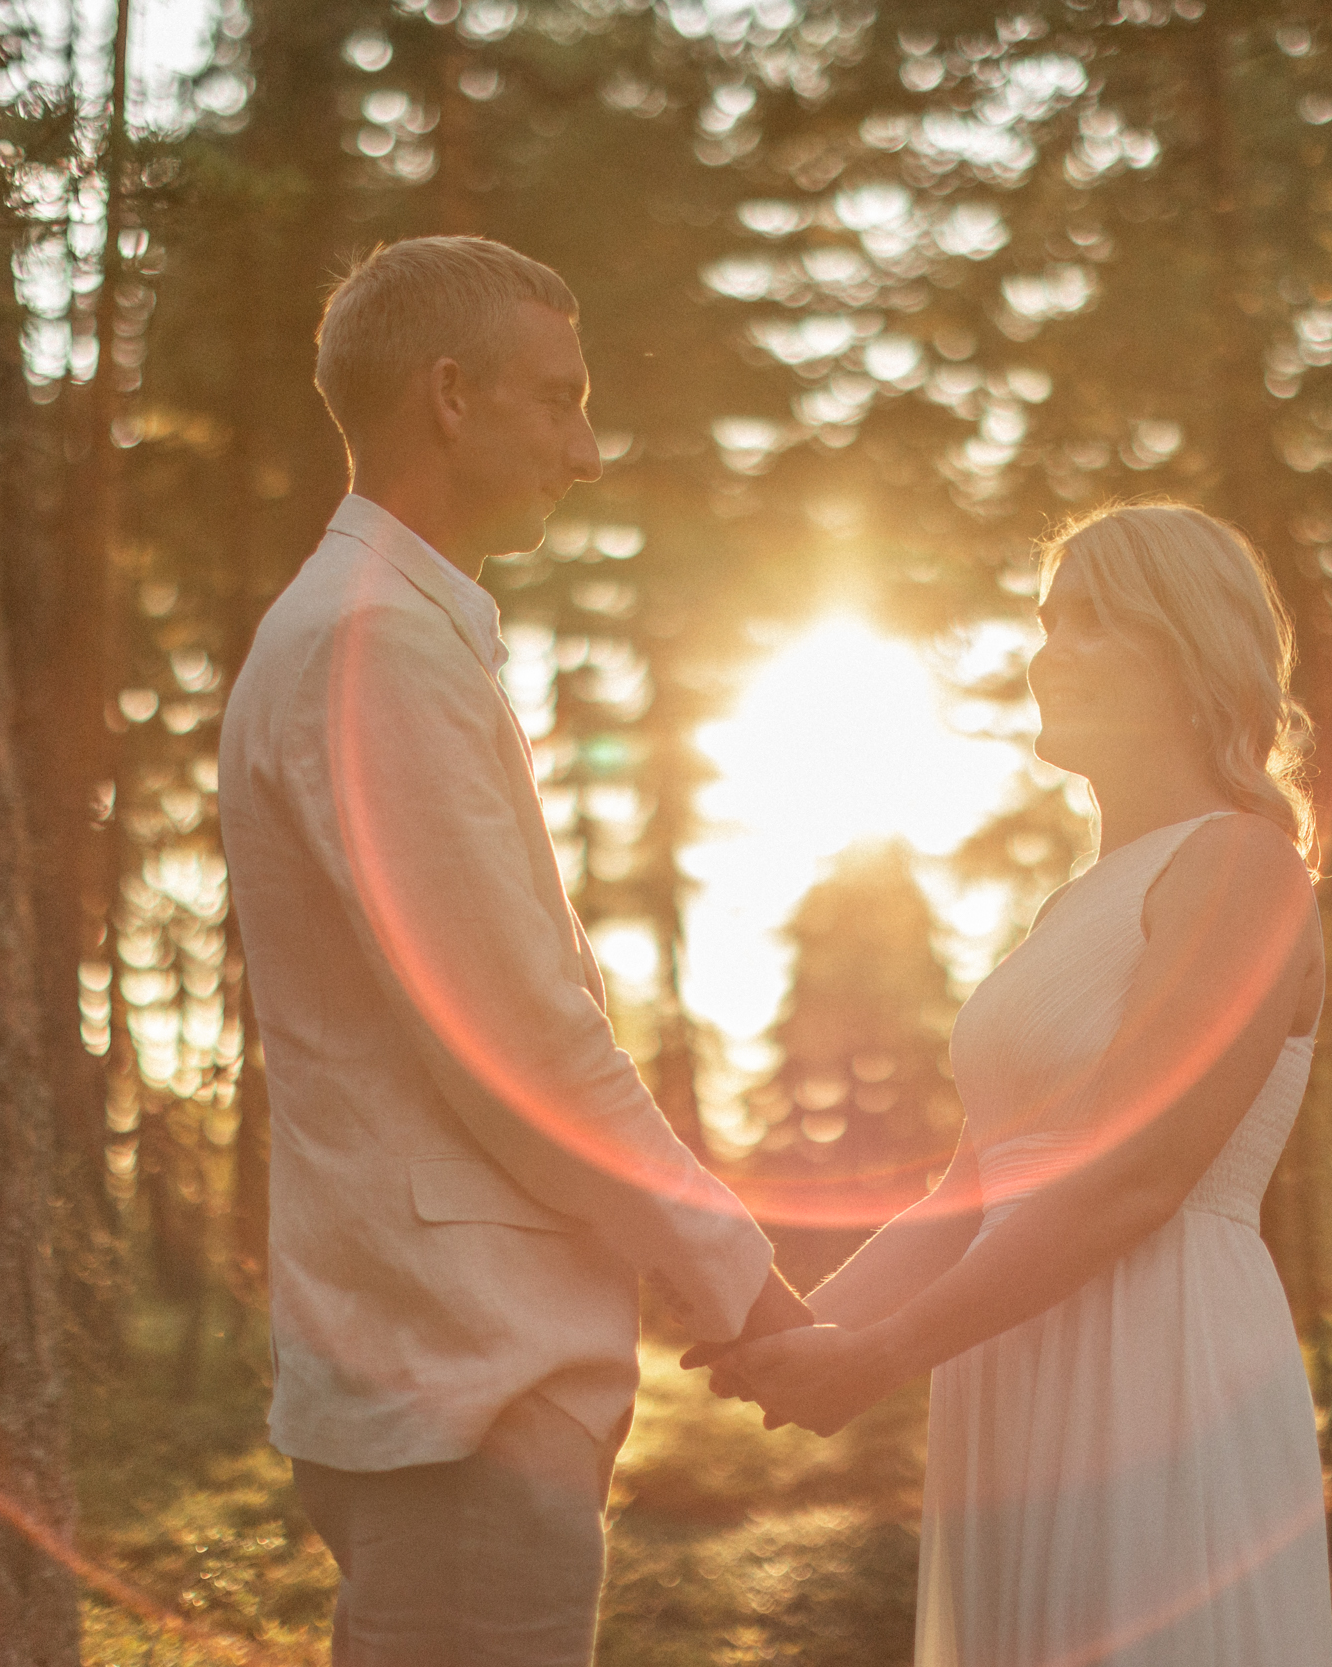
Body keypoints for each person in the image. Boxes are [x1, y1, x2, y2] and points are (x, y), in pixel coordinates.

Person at [217, 235, 810, 1667]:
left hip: (447, 1368)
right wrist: (739, 1280)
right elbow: (521, 1043)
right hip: (464, 1380)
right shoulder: (374, 649)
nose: (590, 451)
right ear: (449, 395)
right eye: (559, 399)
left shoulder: (385, 634)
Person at [714, 503, 1332, 1666]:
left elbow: (1137, 1175)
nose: (1046, 652)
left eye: (1091, 620)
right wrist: (783, 1324)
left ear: (1189, 648)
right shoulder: (1070, 909)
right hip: (1015, 1364)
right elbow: (972, 1189)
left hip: (1157, 1361)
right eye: (1045, 621)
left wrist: (882, 1355)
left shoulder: (1241, 866)